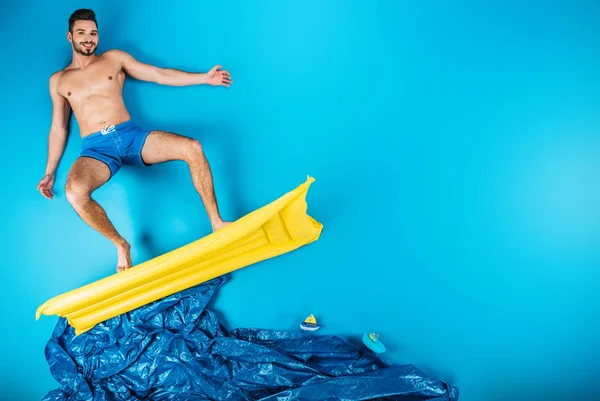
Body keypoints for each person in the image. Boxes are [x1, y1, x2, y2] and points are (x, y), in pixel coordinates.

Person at [36, 9, 233, 272]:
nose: (88, 38)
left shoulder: (114, 58)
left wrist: (204, 78)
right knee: (74, 192)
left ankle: (217, 222)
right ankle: (121, 245)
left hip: (132, 137)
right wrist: (50, 172)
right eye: (81, 33)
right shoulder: (59, 80)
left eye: (93, 33)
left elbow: (158, 74)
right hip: (97, 149)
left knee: (192, 147)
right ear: (70, 36)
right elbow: (59, 128)